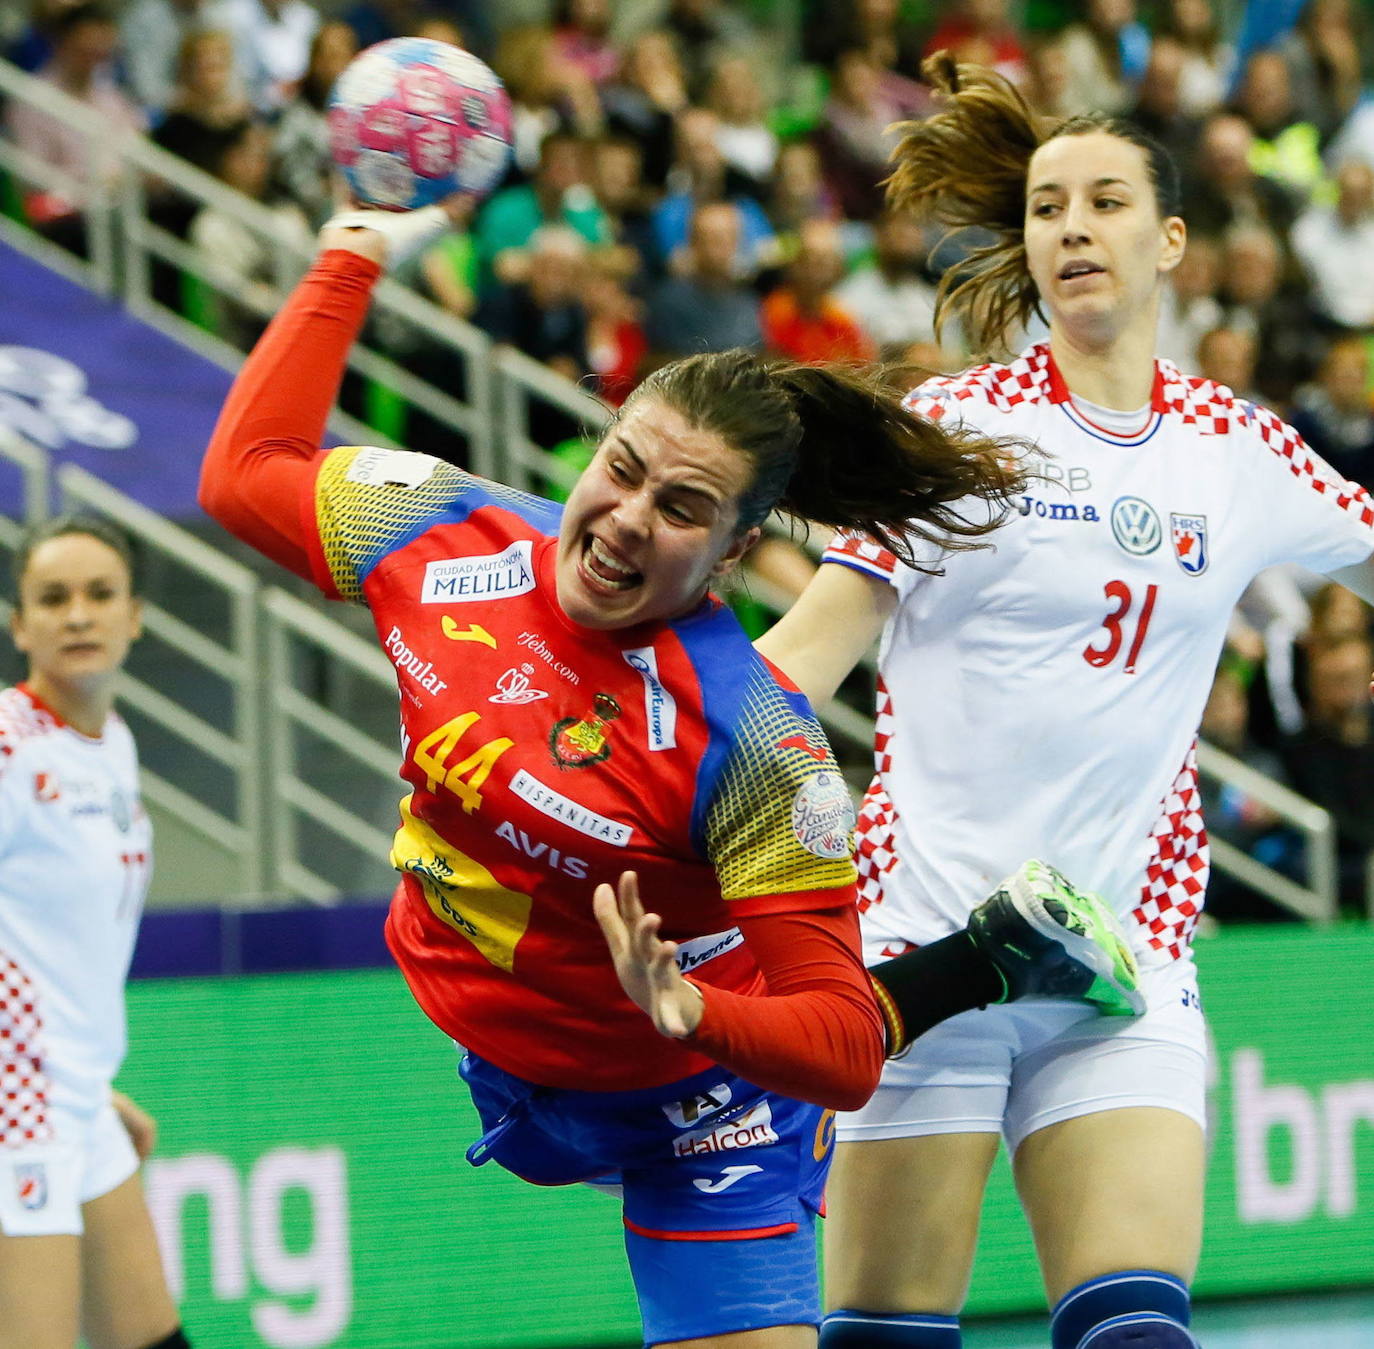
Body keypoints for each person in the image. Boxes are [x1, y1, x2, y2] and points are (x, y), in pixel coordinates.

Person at [197, 203, 1142, 1349]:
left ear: (740, 553)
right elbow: (245, 471)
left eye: (684, 507)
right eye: (624, 468)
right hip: (505, 1031)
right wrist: (347, 256)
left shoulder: (760, 751)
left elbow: (841, 1045)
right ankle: (992, 950)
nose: (628, 520)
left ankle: (985, 952)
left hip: (702, 1097)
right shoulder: (436, 530)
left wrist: (698, 1009)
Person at [757, 54, 1374, 1349]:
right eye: (1045, 208)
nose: (1070, 228)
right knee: (883, 1336)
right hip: (921, 956)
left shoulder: (1237, 447)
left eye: (1100, 202)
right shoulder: (950, 430)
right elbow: (801, 660)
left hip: (1120, 962)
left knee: (1136, 1333)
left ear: (1169, 239)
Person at [0, 517, 189, 1349]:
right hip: (18, 1111)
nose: (78, 614)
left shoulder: (114, 744)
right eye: (53, 598)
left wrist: (92, 1085)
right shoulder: (9, 744)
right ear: (19, 625)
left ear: (135, 615)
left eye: (99, 594)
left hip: (80, 1097)